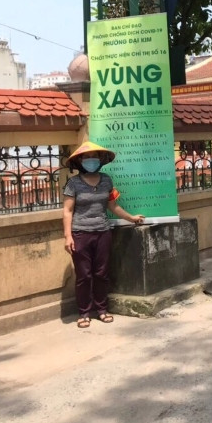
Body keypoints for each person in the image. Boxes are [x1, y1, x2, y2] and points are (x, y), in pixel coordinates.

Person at [63, 141, 145, 329]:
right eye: (86, 157)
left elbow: (112, 205)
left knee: (101, 273)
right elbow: (67, 211)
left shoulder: (106, 180)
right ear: (79, 161)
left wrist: (131, 218)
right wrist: (68, 236)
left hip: (103, 232)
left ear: (100, 160)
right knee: (84, 275)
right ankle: (84, 312)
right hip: (80, 234)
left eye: (94, 157)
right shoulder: (73, 183)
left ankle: (101, 309)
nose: (91, 160)